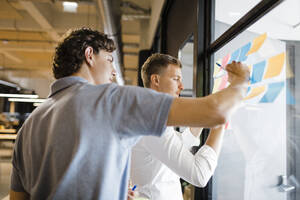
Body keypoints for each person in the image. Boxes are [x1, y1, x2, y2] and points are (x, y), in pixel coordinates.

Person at [9, 28, 249, 200]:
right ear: (89, 55)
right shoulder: (111, 100)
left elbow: (20, 197)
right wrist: (240, 82)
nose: (114, 72)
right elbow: (216, 111)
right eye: (110, 60)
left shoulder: (30, 126)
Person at [130, 53, 225, 200]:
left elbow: (178, 144)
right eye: (176, 79)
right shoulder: (151, 122)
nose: (181, 86)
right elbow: (199, 175)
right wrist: (219, 123)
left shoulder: (149, 113)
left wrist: (207, 112)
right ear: (156, 79)